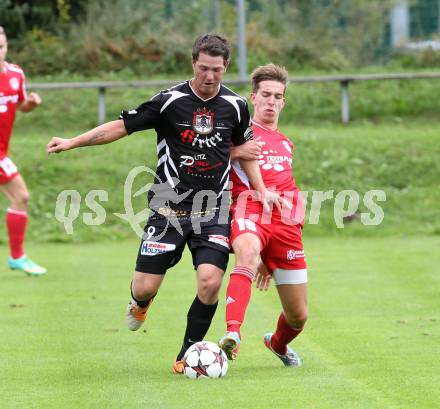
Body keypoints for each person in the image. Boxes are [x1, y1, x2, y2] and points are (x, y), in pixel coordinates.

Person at [47, 34, 282, 374]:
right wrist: (72, 142)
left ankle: (188, 355)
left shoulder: (235, 106)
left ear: (226, 67)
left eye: (216, 70)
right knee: (144, 286)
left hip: (213, 209)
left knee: (210, 281)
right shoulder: (170, 101)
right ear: (193, 63)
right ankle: (140, 304)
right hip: (169, 207)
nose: (209, 76)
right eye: (203, 68)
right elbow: (122, 126)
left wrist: (259, 189)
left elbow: (247, 153)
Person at [219, 64, 308, 367]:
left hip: (285, 226)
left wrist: (271, 259)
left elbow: (290, 189)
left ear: (284, 102)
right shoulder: (239, 133)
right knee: (245, 252)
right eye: (266, 95)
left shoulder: (285, 143)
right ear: (253, 98)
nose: (271, 101)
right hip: (248, 207)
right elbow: (211, 156)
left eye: (277, 96)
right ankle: (233, 334)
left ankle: (277, 344)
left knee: (298, 316)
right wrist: (235, 152)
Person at [0, 26, 46, 275]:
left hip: (2, 152)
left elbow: (20, 105)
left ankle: (17, 257)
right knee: (21, 196)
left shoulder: (15, 74)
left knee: (21, 198)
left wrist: (30, 104)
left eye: (1, 46)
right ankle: (17, 257)